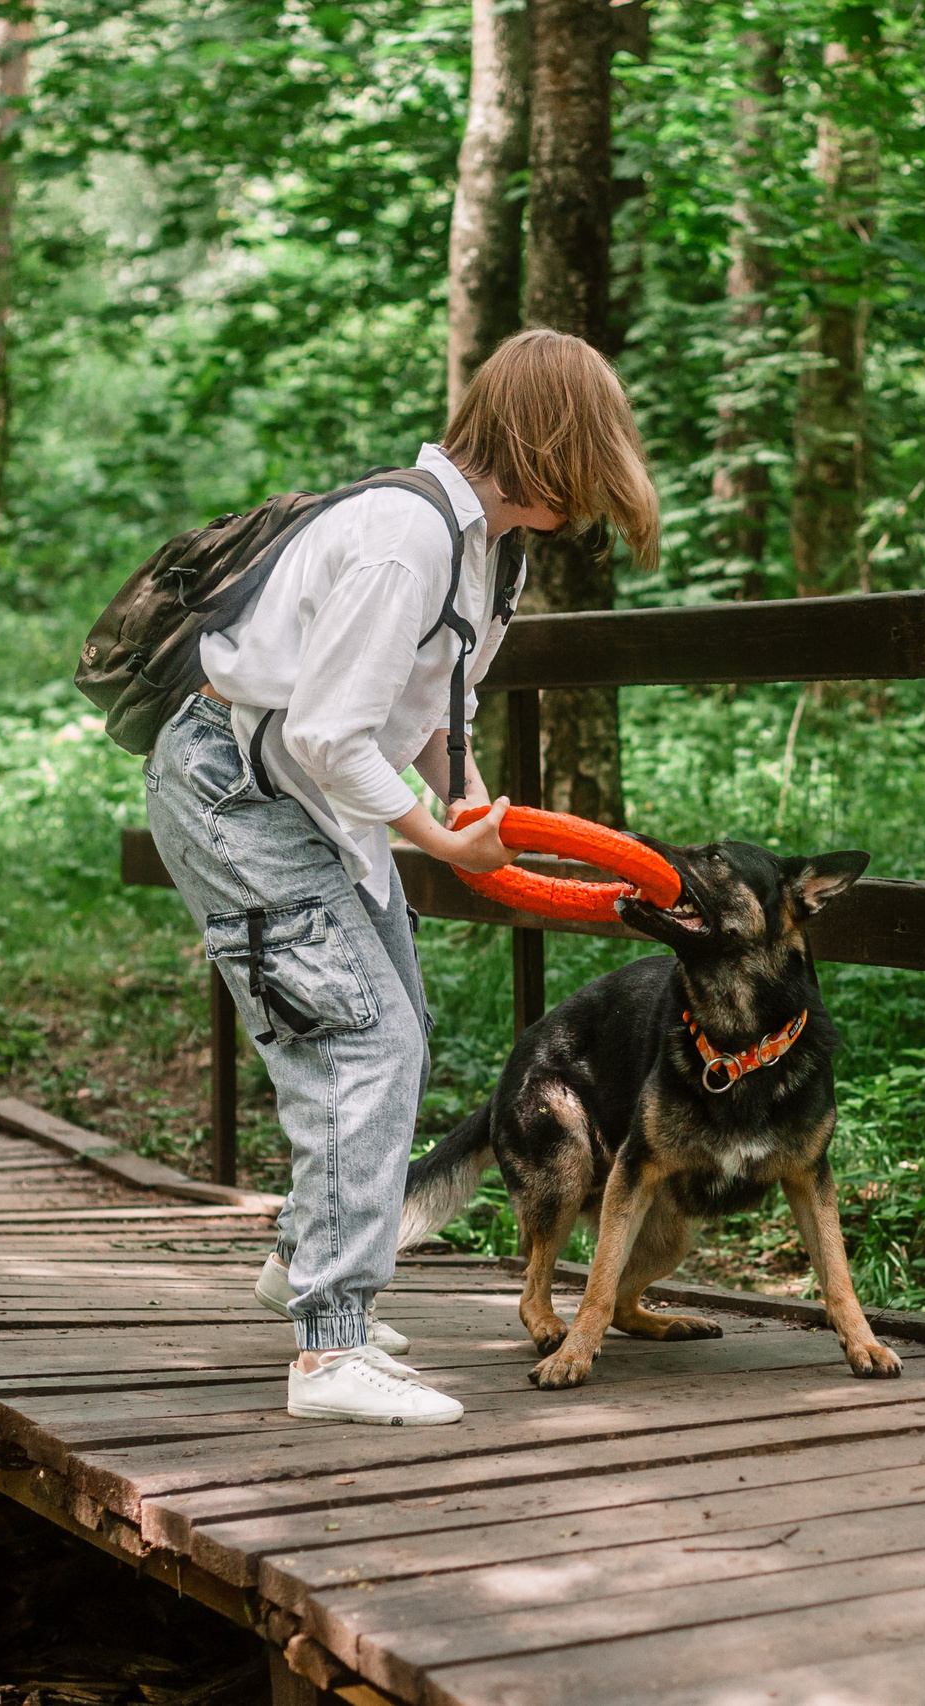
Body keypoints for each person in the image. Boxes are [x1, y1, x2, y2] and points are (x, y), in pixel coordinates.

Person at [140, 329, 662, 1425]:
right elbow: (332, 730)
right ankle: (328, 1351)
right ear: (549, 444)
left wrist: (468, 798)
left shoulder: (490, 552)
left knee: (397, 1021)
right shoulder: (402, 539)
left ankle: (305, 1263)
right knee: (358, 1037)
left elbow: (424, 710)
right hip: (241, 793)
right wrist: (437, 836)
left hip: (312, 796)